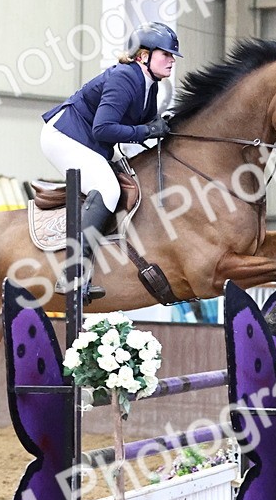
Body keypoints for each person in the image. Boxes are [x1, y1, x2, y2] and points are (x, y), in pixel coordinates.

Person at [40, 21, 181, 302]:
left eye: (172, 55)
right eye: (165, 54)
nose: (171, 60)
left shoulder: (150, 85)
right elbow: (103, 129)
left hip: (93, 142)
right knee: (108, 189)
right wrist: (145, 131)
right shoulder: (124, 78)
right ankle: (73, 272)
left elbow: (142, 125)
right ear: (143, 55)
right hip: (65, 136)